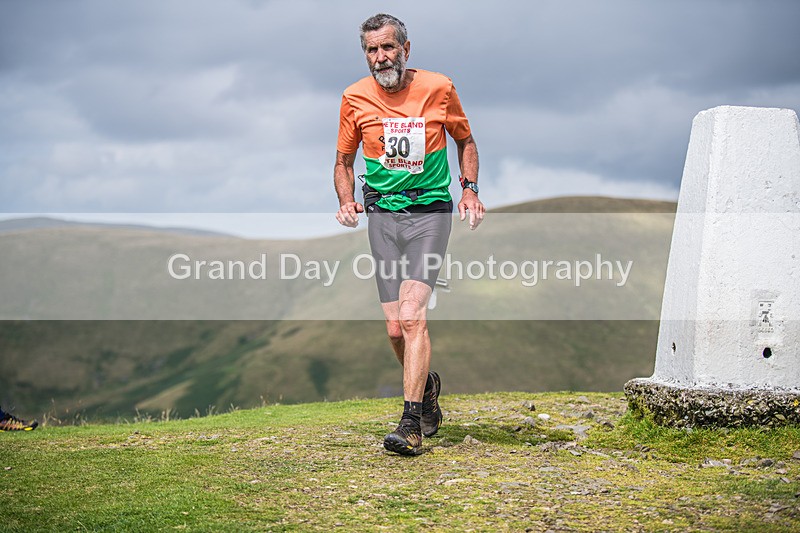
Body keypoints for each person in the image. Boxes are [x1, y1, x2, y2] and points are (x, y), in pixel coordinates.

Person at [334, 13, 484, 455]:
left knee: (414, 315)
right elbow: (343, 162)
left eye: (387, 47)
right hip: (382, 217)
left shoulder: (440, 88)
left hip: (429, 214)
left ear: (405, 48)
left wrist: (469, 190)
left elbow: (466, 140)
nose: (380, 57)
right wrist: (346, 201)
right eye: (371, 50)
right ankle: (429, 388)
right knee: (396, 329)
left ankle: (410, 423)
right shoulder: (354, 97)